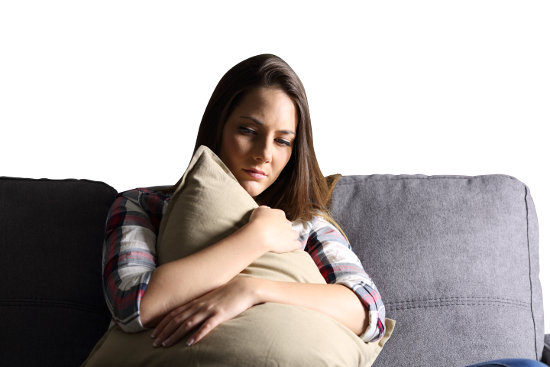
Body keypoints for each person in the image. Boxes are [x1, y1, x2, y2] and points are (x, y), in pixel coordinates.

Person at [102, 53, 386, 351]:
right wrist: (256, 237)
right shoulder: (143, 206)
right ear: (219, 127)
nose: (264, 153)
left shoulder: (305, 224)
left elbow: (369, 312)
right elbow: (132, 305)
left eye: (282, 141)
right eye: (248, 131)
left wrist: (252, 289)